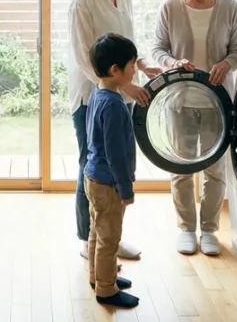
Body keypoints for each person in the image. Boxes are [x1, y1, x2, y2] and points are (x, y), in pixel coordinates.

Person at [67, 0, 162, 262]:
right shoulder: (83, 0)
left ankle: (110, 236)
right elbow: (84, 58)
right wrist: (122, 86)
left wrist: (143, 65)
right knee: (92, 167)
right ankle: (89, 238)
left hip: (120, 97)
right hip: (91, 98)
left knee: (117, 165)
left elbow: (127, 42)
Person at [150, 0, 237, 256]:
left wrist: (226, 64)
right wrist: (172, 62)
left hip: (218, 102)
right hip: (180, 100)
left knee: (215, 170)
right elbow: (157, 49)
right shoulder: (170, 7)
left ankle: (210, 230)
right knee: (181, 167)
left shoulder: (229, 8)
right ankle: (186, 229)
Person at [85, 33, 141, 309]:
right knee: (109, 238)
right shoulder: (115, 105)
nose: (135, 71)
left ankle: (98, 277)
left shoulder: (97, 95)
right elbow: (115, 155)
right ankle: (106, 290)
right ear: (115, 70)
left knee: (97, 231)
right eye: (132, 65)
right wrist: (126, 189)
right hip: (109, 184)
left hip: (93, 177)